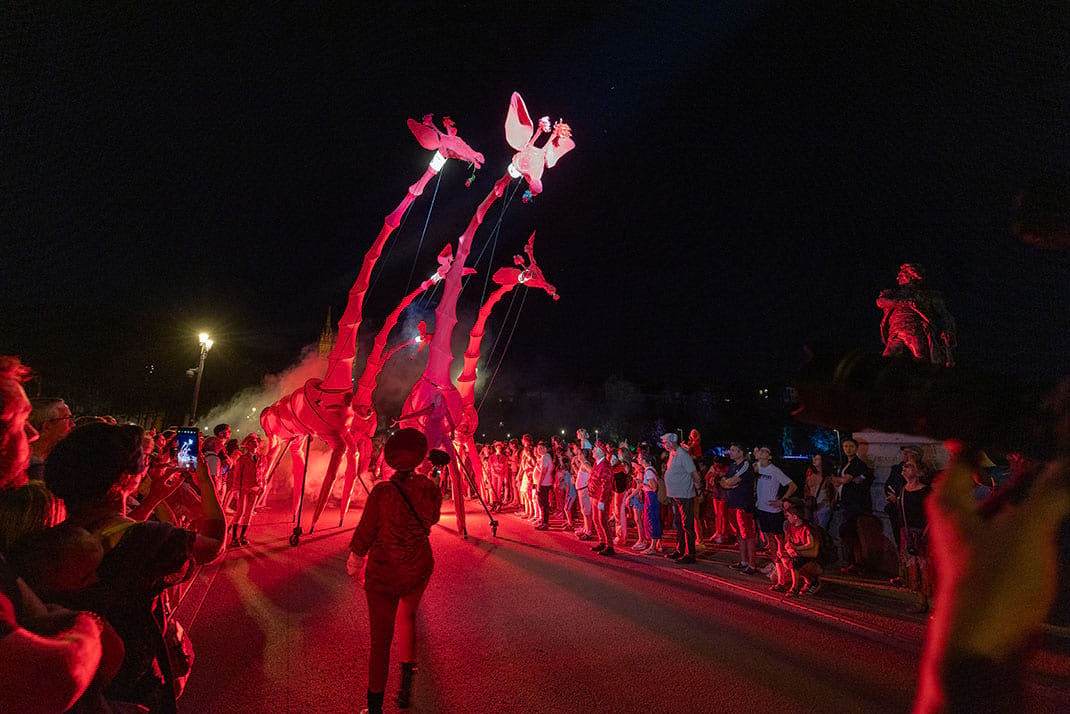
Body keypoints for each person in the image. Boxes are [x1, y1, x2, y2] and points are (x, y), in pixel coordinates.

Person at [44, 422, 226, 712]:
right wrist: (206, 483)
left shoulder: (53, 536)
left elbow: (115, 526)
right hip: (132, 676)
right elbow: (212, 545)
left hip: (75, 674)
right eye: (143, 458)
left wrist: (153, 498)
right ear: (126, 477)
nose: (149, 463)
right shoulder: (147, 539)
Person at [347, 428, 441, 714]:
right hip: (417, 565)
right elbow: (433, 516)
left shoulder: (383, 491)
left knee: (380, 639)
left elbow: (366, 530)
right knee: (408, 619)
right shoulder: (428, 486)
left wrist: (355, 559)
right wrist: (434, 477)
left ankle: (374, 708)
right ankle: (405, 691)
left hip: (385, 571)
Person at [876, 262, 957, 366]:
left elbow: (945, 315)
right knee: (886, 361)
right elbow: (881, 302)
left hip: (916, 331)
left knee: (921, 360)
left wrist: (949, 331)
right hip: (895, 333)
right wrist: (905, 303)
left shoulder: (929, 295)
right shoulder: (893, 293)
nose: (898, 277)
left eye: (902, 274)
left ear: (912, 275)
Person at [831, 437, 874, 574]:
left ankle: (858, 563)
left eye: (850, 446)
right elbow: (841, 482)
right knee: (849, 534)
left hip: (854, 505)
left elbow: (844, 480)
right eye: (845, 446)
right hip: (845, 503)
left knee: (853, 534)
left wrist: (839, 480)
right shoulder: (846, 464)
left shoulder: (857, 464)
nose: (847, 449)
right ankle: (854, 562)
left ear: (856, 448)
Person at [898, 459, 933, 614]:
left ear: (919, 473)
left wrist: (927, 532)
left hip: (924, 534)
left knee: (927, 568)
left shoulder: (927, 491)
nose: (904, 468)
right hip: (908, 534)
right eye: (904, 466)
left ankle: (932, 602)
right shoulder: (903, 490)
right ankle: (921, 600)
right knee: (914, 568)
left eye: (910, 466)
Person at [661, 432, 701, 565]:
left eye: (665, 442)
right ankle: (680, 549)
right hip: (676, 495)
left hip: (684, 495)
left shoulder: (683, 455)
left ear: (671, 442)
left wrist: (699, 489)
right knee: (679, 523)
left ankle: (690, 553)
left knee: (687, 524)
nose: (664, 445)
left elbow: (694, 474)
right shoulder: (673, 454)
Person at [754, 446, 798, 563]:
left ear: (770, 457)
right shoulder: (757, 467)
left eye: (765, 451)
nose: (761, 452)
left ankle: (784, 562)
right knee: (769, 537)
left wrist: (782, 501)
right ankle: (774, 563)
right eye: (761, 450)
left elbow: (792, 486)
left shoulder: (775, 470)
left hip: (773, 510)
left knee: (779, 538)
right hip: (761, 508)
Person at [720, 443, 758, 574]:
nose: (730, 452)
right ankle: (743, 561)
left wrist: (728, 484)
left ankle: (752, 565)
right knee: (739, 534)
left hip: (743, 505)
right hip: (732, 503)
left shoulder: (745, 465)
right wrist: (727, 484)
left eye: (733, 450)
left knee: (748, 534)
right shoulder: (732, 466)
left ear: (741, 452)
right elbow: (722, 481)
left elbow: (730, 481)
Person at [773, 499, 823, 595]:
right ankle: (781, 583)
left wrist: (796, 549)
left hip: (811, 558)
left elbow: (811, 545)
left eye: (788, 516)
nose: (787, 518)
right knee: (780, 558)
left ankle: (796, 587)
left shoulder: (807, 528)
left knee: (794, 563)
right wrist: (787, 549)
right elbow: (787, 542)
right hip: (798, 553)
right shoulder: (790, 526)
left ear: (795, 516)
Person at [228, 434, 264, 546]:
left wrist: (262, 484)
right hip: (243, 488)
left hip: (255, 488)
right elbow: (237, 475)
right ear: (247, 445)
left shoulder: (261, 458)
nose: (255, 443)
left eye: (256, 442)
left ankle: (243, 536)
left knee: (249, 513)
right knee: (240, 512)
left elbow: (263, 473)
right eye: (252, 442)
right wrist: (235, 489)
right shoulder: (242, 459)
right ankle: (234, 537)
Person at [26, 397, 73, 480]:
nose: (73, 425)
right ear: (46, 427)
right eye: (67, 419)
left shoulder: (53, 462)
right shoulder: (32, 471)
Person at [586, 445, 614, 555]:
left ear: (600, 452)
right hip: (594, 496)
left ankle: (609, 545)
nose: (592, 451)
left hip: (601, 498)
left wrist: (602, 500)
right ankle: (602, 541)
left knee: (603, 521)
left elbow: (606, 485)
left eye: (594, 449)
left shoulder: (605, 466)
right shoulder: (597, 463)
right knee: (596, 519)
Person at [803, 452, 835, 531]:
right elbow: (806, 488)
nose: (814, 460)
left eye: (817, 459)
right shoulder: (810, 473)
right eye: (814, 458)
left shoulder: (828, 476)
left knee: (820, 530)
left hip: (823, 506)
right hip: (810, 505)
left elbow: (834, 490)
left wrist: (831, 504)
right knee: (810, 528)